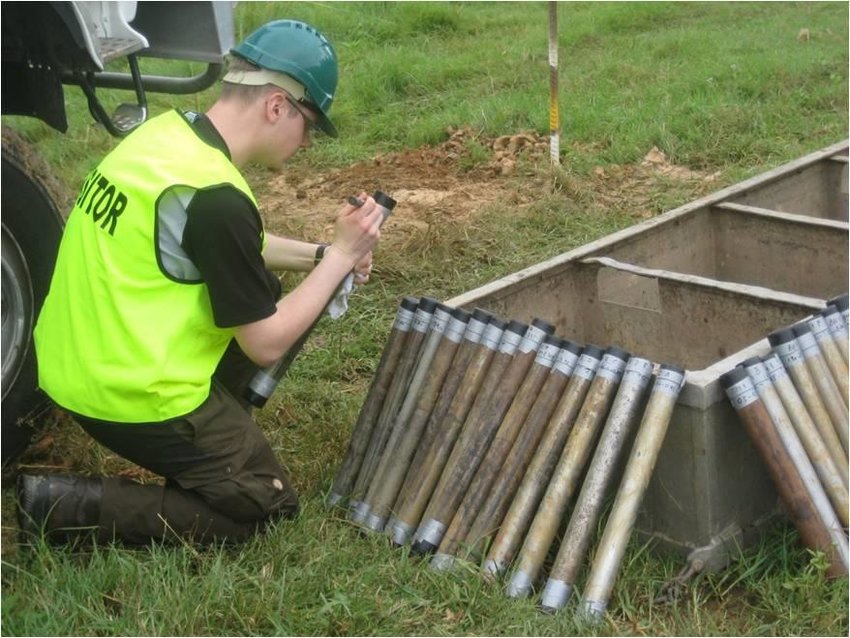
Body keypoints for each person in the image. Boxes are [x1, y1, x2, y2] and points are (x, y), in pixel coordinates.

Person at [17, 19, 384, 546]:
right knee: (265, 504)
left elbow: (220, 243)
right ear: (276, 106)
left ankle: (212, 437)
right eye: (309, 124)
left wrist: (324, 255)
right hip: (130, 394)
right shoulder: (216, 194)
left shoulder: (164, 138)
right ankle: (63, 507)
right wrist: (343, 256)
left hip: (71, 366)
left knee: (261, 284)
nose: (307, 142)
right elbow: (266, 343)